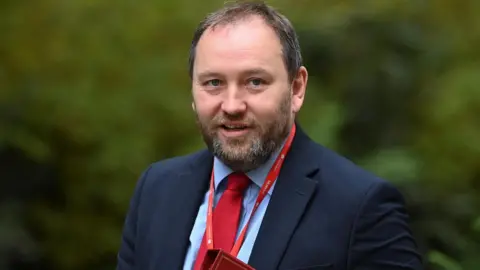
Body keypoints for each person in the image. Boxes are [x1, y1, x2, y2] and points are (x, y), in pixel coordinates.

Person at [116, 1, 423, 269]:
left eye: (254, 82)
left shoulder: (361, 208)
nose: (232, 105)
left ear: (296, 88)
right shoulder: (156, 190)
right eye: (213, 83)